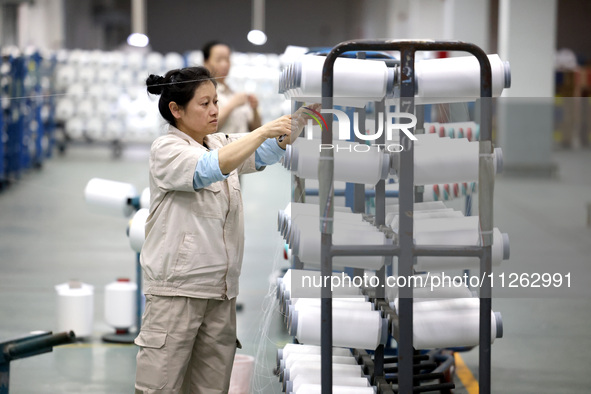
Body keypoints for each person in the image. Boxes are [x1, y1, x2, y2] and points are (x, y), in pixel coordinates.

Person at [202, 40, 261, 135]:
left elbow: (256, 129)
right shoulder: (201, 94)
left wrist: (254, 109)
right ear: (206, 62)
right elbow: (204, 128)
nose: (224, 64)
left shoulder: (234, 92)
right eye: (219, 60)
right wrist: (232, 105)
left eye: (227, 59)